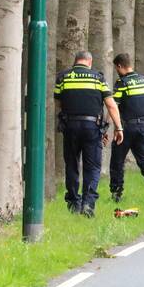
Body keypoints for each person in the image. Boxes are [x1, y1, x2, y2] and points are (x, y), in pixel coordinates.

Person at [54, 51, 123, 217]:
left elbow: (58, 103)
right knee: (92, 167)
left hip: (70, 126)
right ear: (89, 62)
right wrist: (118, 128)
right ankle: (88, 204)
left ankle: (73, 203)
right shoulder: (98, 78)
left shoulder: (63, 77)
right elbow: (111, 105)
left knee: (71, 164)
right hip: (92, 127)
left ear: (75, 61)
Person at [109, 53, 144, 204]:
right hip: (143, 126)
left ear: (119, 66)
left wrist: (110, 125)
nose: (117, 71)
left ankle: (116, 194)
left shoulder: (122, 83)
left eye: (116, 68)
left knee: (117, 161)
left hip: (127, 127)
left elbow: (114, 105)